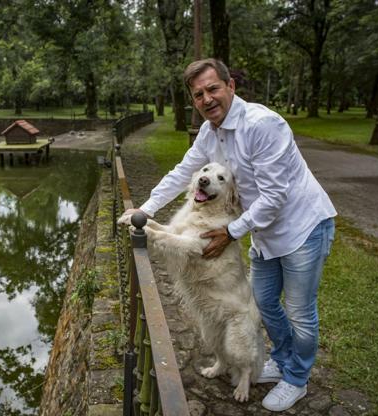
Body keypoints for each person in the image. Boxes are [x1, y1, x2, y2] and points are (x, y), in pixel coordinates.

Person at [122, 58, 336, 412]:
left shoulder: (263, 125)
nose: (206, 99)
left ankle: (297, 378)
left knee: (299, 312)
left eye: (212, 89)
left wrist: (231, 232)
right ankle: (281, 361)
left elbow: (275, 196)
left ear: (230, 86)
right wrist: (147, 210)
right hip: (265, 233)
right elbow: (183, 172)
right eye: (198, 94)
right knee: (264, 305)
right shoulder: (210, 132)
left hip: (303, 228)